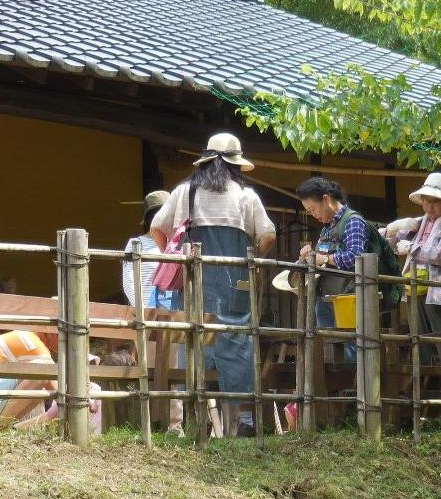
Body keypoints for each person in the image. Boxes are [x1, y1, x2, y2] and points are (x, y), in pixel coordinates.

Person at [150, 133, 276, 437]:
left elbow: (157, 228)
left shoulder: (184, 192)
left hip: (195, 280)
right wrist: (254, 258)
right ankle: (242, 422)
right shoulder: (246, 196)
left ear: (205, 162)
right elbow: (268, 234)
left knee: (194, 341)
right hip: (236, 282)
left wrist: (174, 255)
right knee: (238, 343)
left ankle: (195, 419)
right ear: (234, 165)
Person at [384, 172, 441, 365]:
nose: (430, 206)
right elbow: (384, 244)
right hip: (415, 288)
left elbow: (440, 254)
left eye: (435, 201)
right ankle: (425, 386)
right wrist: (393, 227)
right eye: (426, 200)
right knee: (419, 341)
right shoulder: (417, 223)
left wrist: (411, 248)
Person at [294, 177, 367, 363]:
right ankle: (333, 388)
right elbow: (321, 258)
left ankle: (352, 389)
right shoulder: (327, 228)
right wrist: (310, 254)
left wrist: (324, 258)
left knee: (349, 344)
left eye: (313, 209)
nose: (313, 215)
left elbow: (356, 257)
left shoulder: (353, 221)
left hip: (347, 296)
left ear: (326, 199)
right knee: (327, 346)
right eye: (309, 211)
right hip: (325, 296)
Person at [122, 190, 174, 310]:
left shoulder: (177, 245)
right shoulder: (136, 244)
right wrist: (141, 309)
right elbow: (128, 282)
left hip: (174, 314)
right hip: (148, 314)